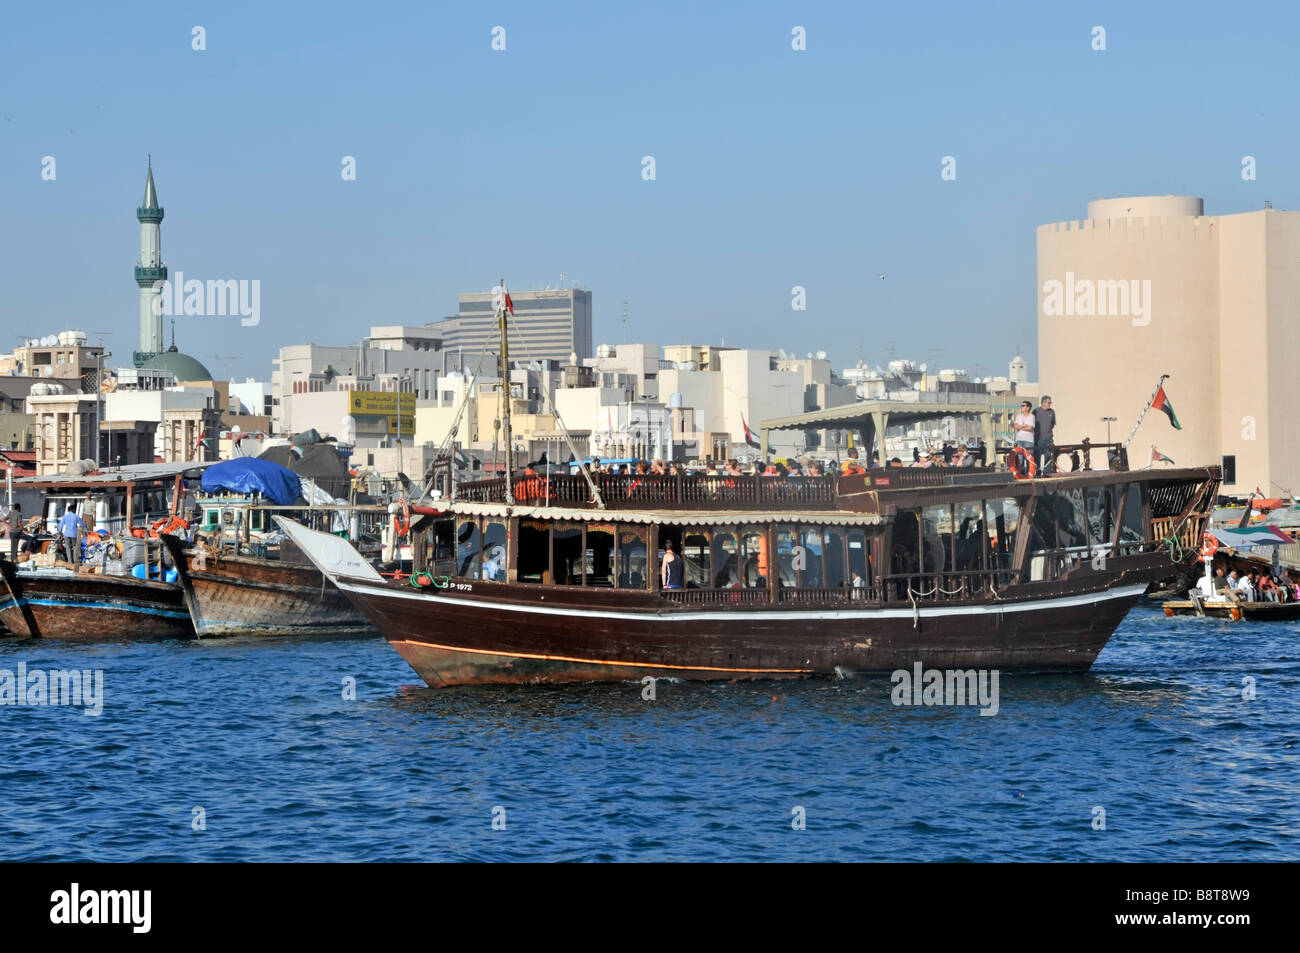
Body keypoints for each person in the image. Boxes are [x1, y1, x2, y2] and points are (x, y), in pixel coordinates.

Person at [1033, 396, 1057, 474]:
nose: (1050, 404)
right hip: (1038, 439)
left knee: (1048, 457)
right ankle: (1037, 473)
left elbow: (1052, 424)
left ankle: (1047, 474)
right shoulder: (1036, 411)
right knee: (1037, 457)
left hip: (1048, 439)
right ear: (1043, 402)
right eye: (1049, 402)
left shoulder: (1052, 412)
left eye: (1050, 403)